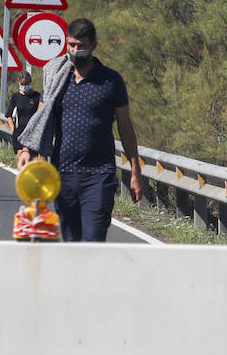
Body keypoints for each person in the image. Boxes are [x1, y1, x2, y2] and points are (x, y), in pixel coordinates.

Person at [17, 17, 142, 242]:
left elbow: (125, 127)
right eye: (71, 45)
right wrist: (28, 150)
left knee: (92, 242)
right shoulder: (57, 78)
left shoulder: (111, 81)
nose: (75, 51)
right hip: (62, 174)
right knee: (71, 243)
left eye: (81, 46)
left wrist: (135, 171)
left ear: (93, 45)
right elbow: (41, 119)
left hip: (99, 175)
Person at [4, 68, 41, 159]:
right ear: (19, 83)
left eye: (26, 84)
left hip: (33, 134)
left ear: (30, 83)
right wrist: (13, 131)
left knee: (32, 162)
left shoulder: (37, 97)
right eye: (22, 84)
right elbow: (9, 115)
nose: (24, 86)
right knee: (22, 161)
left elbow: (41, 115)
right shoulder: (16, 97)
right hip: (20, 134)